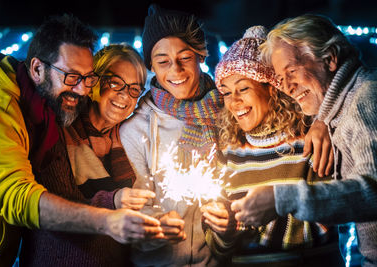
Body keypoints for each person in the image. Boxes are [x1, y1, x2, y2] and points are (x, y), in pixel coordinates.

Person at [0, 14, 162, 266]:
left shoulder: (48, 107)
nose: (82, 89)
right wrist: (107, 219)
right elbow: (19, 198)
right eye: (72, 77)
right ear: (37, 69)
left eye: (87, 78)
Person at [232, 14, 377, 266]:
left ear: (330, 58)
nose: (286, 87)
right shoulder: (339, 108)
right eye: (280, 78)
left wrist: (282, 199)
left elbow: (372, 191)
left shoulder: (366, 98)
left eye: (292, 71)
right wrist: (322, 120)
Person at [200, 25, 343, 267]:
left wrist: (265, 215)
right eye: (226, 92)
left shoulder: (309, 142)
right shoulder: (229, 153)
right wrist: (226, 231)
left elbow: (330, 213)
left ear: (272, 89)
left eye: (243, 88)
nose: (234, 102)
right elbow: (218, 244)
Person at [18, 43, 157, 266]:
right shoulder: (59, 129)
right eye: (115, 83)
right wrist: (113, 201)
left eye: (134, 89)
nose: (124, 95)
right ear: (94, 82)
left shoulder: (128, 138)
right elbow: (57, 214)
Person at [120, 4, 224, 266]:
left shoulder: (228, 113)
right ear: (151, 66)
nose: (175, 70)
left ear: (201, 56)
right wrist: (157, 227)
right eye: (163, 62)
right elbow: (132, 212)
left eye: (185, 57)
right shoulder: (136, 130)